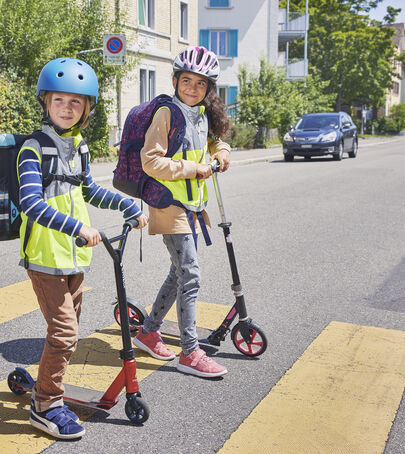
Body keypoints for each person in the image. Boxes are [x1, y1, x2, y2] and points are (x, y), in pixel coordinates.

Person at [18, 57, 147, 439]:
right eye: (60, 100)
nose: (67, 108)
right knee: (64, 333)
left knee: (65, 333)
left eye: (77, 102)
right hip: (44, 256)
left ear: (87, 108)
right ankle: (45, 405)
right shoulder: (32, 149)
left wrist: (126, 204)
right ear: (46, 102)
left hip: (75, 256)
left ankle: (45, 386)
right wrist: (77, 226)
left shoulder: (80, 146)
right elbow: (31, 203)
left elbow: (88, 190)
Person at [132, 46, 231, 378]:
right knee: (190, 275)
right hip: (168, 204)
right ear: (175, 81)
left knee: (178, 273)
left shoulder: (200, 115)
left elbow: (211, 143)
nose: (192, 88)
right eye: (186, 80)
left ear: (208, 90)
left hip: (192, 207)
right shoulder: (167, 114)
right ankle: (190, 353)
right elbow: (151, 160)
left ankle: (148, 332)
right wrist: (193, 168)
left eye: (200, 83)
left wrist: (223, 149)